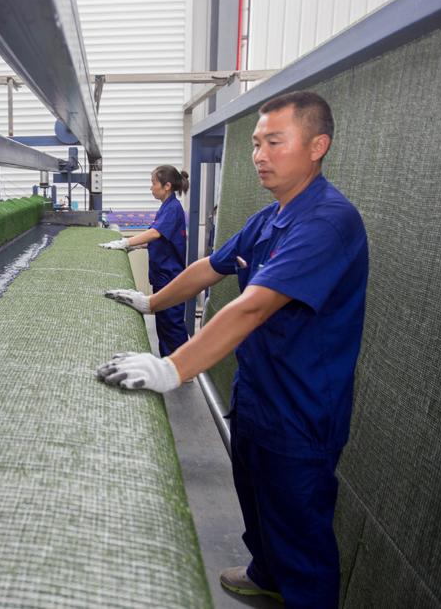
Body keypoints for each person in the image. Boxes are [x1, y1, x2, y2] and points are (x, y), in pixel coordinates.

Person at [97, 91, 368, 608]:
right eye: (256, 144)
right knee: (257, 498)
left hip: (301, 408)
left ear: (317, 146)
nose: (259, 155)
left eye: (274, 142)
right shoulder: (270, 219)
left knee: (301, 529)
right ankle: (267, 574)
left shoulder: (327, 223)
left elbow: (252, 308)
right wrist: (151, 302)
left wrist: (171, 368)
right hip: (258, 394)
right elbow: (209, 268)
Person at [99, 165, 190, 356]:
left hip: (170, 277)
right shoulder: (166, 207)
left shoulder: (173, 208)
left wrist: (126, 242)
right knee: (164, 325)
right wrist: (137, 245)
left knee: (172, 325)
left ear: (166, 186)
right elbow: (163, 240)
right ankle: (168, 361)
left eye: (153, 183)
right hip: (163, 275)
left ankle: (181, 365)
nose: (151, 187)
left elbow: (155, 233)